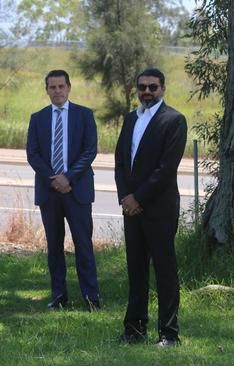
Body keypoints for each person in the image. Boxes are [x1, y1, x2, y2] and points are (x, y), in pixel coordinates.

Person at [114, 68, 187, 348]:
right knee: (136, 270)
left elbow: (166, 169)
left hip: (159, 208)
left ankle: (169, 334)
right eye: (142, 87)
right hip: (131, 208)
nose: (147, 91)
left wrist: (138, 198)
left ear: (163, 89)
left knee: (165, 271)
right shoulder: (131, 118)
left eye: (153, 87)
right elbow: (121, 160)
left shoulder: (174, 120)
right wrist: (125, 197)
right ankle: (134, 329)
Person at [26, 69, 100, 311]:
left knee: (83, 244)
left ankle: (91, 296)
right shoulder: (38, 118)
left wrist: (68, 177)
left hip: (76, 191)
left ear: (69, 88)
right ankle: (59, 296)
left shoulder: (84, 115)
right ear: (46, 89)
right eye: (52, 87)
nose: (57, 91)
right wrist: (53, 179)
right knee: (54, 246)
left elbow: (90, 151)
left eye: (61, 86)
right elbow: (33, 154)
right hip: (50, 192)